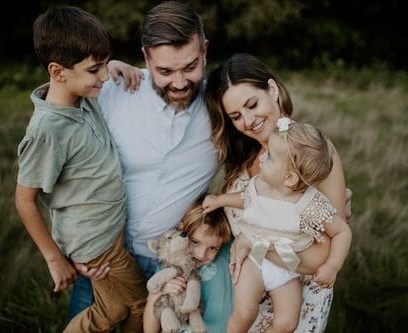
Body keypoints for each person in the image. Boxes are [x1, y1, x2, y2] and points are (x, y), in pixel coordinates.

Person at [67, 0, 220, 321]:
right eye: (165, 71)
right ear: (146, 57)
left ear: (204, 50)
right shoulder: (113, 89)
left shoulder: (222, 108)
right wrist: (72, 245)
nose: (179, 82)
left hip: (173, 261)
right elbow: (58, 141)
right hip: (103, 254)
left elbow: (283, 141)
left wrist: (332, 191)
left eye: (190, 67)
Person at [14, 6, 146, 332]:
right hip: (96, 242)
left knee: (116, 307)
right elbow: (24, 200)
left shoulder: (82, 97)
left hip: (108, 230)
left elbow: (98, 72)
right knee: (141, 304)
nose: (103, 77)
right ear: (58, 72)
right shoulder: (49, 131)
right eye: (94, 69)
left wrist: (111, 65)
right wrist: (55, 259)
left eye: (103, 65)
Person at [201, 52, 351, 332]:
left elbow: (323, 254)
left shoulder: (309, 155)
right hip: (248, 295)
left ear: (272, 89)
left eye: (252, 104)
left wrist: (258, 245)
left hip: (295, 300)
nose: (247, 120)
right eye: (235, 116)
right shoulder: (248, 154)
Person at [143, 197, 234, 332]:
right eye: (195, 242)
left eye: (213, 248)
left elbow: (258, 242)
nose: (201, 254)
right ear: (181, 229)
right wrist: (159, 293)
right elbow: (150, 330)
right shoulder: (168, 268)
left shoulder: (226, 254)